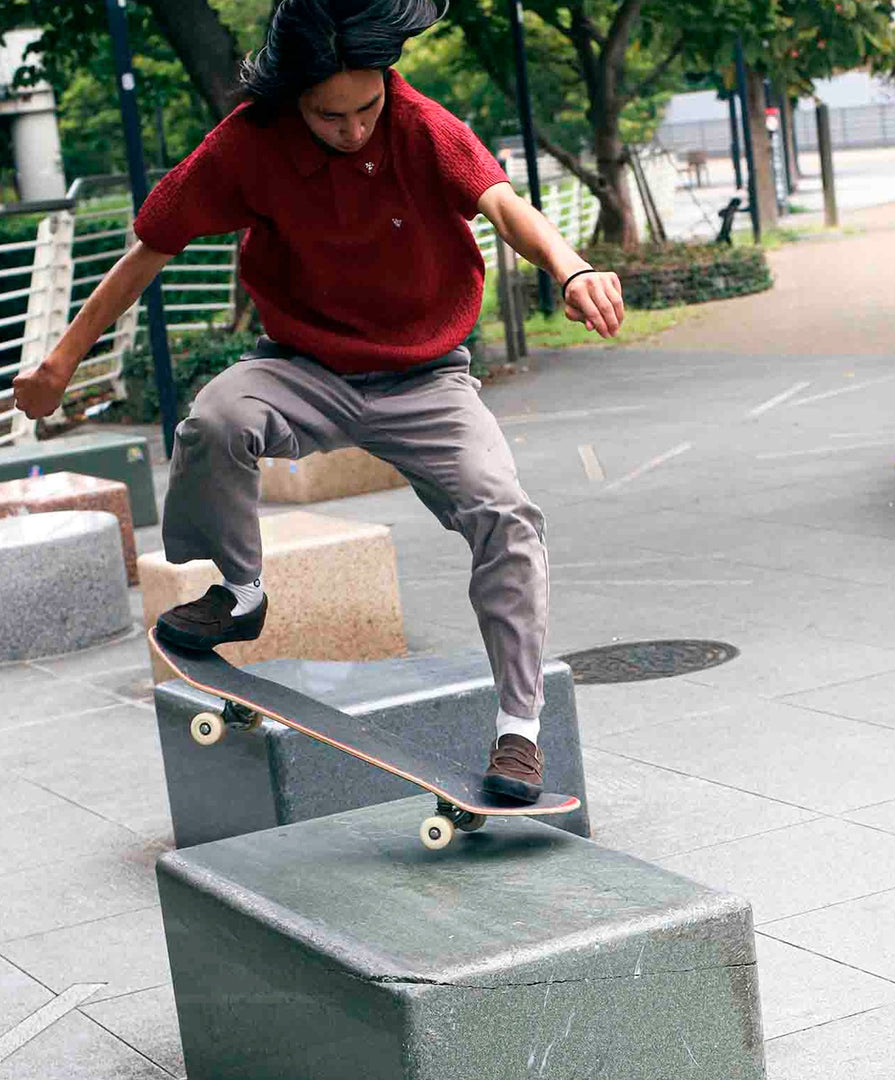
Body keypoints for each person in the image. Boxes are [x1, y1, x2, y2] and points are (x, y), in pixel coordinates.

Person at [13, 0, 623, 805]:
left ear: (388, 84)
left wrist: (573, 269)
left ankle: (518, 731)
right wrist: (60, 360)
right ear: (292, 99)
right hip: (303, 368)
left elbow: (504, 206)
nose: (352, 129)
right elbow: (150, 249)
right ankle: (240, 593)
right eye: (327, 116)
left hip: (427, 379)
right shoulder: (246, 143)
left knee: (506, 515)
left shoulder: (423, 127)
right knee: (216, 419)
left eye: (367, 107)